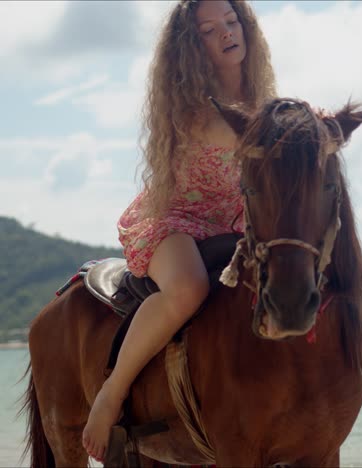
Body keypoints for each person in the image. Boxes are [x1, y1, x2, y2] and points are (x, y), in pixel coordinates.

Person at [82, 0, 276, 462]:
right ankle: (112, 393)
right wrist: (302, 125)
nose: (226, 33)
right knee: (188, 288)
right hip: (177, 220)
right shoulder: (192, 105)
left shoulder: (262, 100)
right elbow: (246, 134)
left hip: (237, 226)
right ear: (193, 46)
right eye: (210, 30)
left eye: (232, 22)